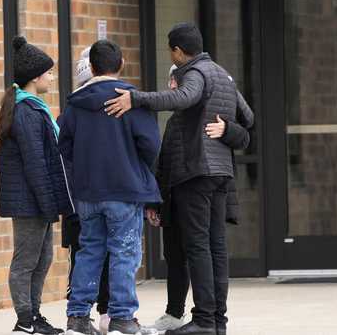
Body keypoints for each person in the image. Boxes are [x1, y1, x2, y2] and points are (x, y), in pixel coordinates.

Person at [105, 23, 254, 335]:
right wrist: (226, 127)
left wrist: (137, 98)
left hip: (196, 173)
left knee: (198, 247)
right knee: (215, 247)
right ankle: (216, 322)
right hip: (220, 175)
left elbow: (185, 97)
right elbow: (248, 117)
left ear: (177, 51)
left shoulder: (195, 73)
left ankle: (203, 320)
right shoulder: (222, 74)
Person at [59, 40, 162, 335]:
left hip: (88, 193)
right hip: (124, 189)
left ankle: (77, 318)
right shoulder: (130, 99)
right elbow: (151, 145)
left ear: (91, 67)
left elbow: (63, 144)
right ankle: (122, 318)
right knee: (124, 252)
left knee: (89, 251)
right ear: (122, 63)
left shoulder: (75, 103)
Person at [148, 66, 254, 335]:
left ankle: (208, 320)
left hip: (201, 188)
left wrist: (227, 128)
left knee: (203, 248)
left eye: (175, 81)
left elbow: (245, 128)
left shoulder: (209, 110)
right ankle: (203, 319)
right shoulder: (179, 121)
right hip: (179, 192)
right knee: (186, 253)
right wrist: (156, 202)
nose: (173, 88)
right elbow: (165, 163)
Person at [0, 36, 72, 335]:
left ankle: (34, 316)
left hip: (35, 199)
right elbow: (35, 163)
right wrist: (48, 203)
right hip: (28, 200)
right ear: (35, 77)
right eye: (49, 73)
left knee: (43, 258)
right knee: (26, 260)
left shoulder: (32, 107)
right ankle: (25, 319)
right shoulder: (26, 112)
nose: (52, 77)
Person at [61, 46, 111, 334]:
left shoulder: (70, 113)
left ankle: (84, 314)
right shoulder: (112, 109)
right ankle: (95, 312)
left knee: (85, 257)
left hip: (80, 199)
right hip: (85, 199)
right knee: (97, 257)